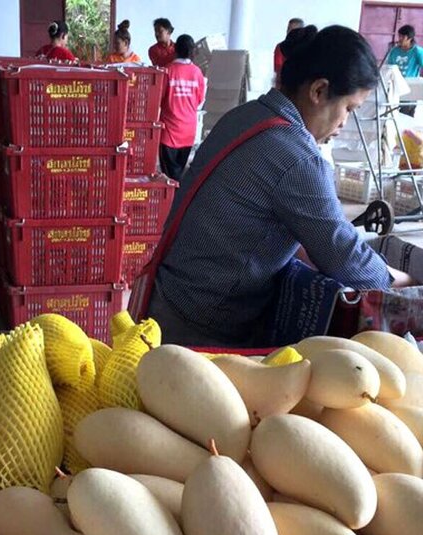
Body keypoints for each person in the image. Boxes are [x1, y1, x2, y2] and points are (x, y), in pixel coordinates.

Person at [135, 26, 415, 347]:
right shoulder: (295, 155)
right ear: (319, 91)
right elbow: (342, 255)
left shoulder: (246, 116)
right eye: (348, 109)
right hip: (200, 327)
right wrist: (404, 282)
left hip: (168, 301)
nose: (343, 123)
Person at [159, 34, 205, 181]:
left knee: (168, 179)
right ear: (192, 52)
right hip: (188, 132)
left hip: (169, 132)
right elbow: (199, 100)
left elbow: (160, 98)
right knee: (179, 176)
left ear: (175, 49)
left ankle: (171, 203)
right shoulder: (197, 73)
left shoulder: (168, 71)